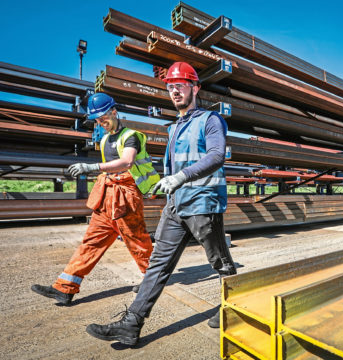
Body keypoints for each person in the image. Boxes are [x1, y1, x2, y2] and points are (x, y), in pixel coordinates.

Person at [86, 62, 237, 346]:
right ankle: (131, 324)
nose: (174, 91)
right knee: (158, 265)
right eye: (170, 86)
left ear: (195, 87)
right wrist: (160, 185)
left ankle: (232, 306)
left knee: (219, 261)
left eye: (180, 85)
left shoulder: (210, 120)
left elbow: (217, 156)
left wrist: (180, 176)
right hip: (176, 204)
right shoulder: (175, 127)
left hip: (203, 203)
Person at [31, 93, 160, 305]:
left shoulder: (132, 136)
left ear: (114, 111)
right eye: (97, 120)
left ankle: (153, 280)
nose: (101, 123)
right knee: (91, 242)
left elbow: (127, 162)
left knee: (138, 243)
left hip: (126, 198)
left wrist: (92, 167)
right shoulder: (105, 138)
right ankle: (65, 288)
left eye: (103, 118)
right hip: (107, 196)